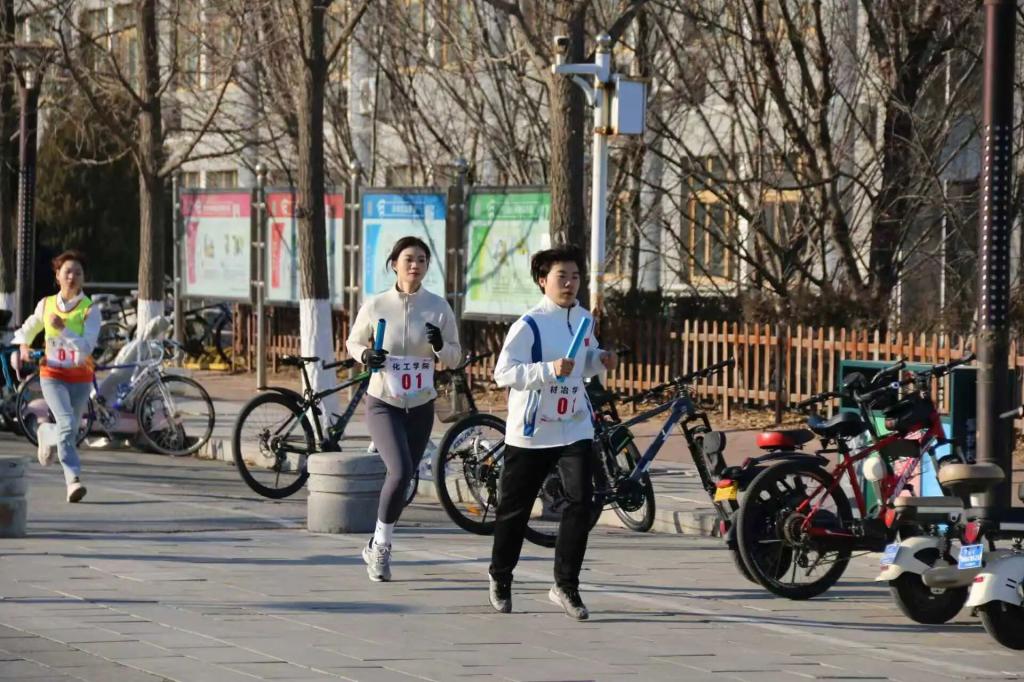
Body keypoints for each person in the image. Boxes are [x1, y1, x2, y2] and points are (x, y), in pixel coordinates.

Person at [488, 246, 618, 620]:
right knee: (514, 510)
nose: (570, 283)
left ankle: (566, 585)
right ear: (543, 281)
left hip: (574, 425)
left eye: (575, 276)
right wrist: (548, 369)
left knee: (581, 502)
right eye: (562, 276)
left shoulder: (584, 319)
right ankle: (500, 575)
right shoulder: (529, 324)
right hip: (532, 430)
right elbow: (504, 373)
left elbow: (584, 362)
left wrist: (601, 359)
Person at [346, 235, 462, 582]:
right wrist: (367, 355)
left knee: (406, 476)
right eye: (409, 259)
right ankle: (382, 547)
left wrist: (440, 346)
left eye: (422, 260)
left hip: (421, 403)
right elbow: (353, 342)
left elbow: (455, 357)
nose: (415, 265)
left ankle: (374, 542)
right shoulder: (377, 304)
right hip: (384, 401)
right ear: (394, 264)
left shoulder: (438, 307)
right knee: (399, 471)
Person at [12, 250, 101, 503]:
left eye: (78, 273)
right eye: (68, 272)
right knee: (67, 423)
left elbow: (86, 347)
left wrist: (63, 330)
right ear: (58, 276)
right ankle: (73, 480)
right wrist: (24, 346)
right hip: (52, 374)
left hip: (81, 377)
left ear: (83, 278)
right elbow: (28, 328)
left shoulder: (90, 310)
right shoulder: (46, 304)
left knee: (69, 429)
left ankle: (46, 433)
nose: (72, 277)